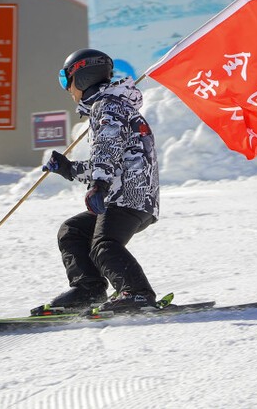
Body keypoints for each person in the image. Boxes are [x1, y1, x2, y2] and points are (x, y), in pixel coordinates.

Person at [33, 48, 160, 316]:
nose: (67, 90)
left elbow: (107, 148)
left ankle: (137, 293)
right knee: (73, 230)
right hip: (125, 194)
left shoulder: (108, 106)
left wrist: (100, 185)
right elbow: (111, 160)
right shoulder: (110, 106)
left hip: (129, 196)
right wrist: (69, 169)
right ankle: (88, 288)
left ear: (80, 78)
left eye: (65, 81)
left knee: (104, 244)